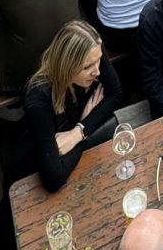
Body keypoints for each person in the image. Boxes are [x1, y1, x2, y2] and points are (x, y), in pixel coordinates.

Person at [21, 22, 123, 191]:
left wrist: (79, 132)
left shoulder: (93, 51)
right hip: (31, 171)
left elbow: (116, 95)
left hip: (75, 158)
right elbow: (54, 179)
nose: (97, 71)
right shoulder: (39, 99)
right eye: (87, 67)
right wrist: (84, 137)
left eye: (99, 60)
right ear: (67, 65)